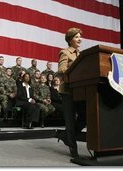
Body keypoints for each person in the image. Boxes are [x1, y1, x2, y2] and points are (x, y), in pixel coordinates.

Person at [56, 28, 84, 158]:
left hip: (80, 90)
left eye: (80, 37)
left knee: (85, 117)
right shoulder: (65, 52)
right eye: (77, 37)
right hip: (67, 91)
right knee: (71, 121)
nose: (80, 39)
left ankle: (64, 136)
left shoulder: (82, 55)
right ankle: (74, 150)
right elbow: (62, 70)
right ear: (70, 39)